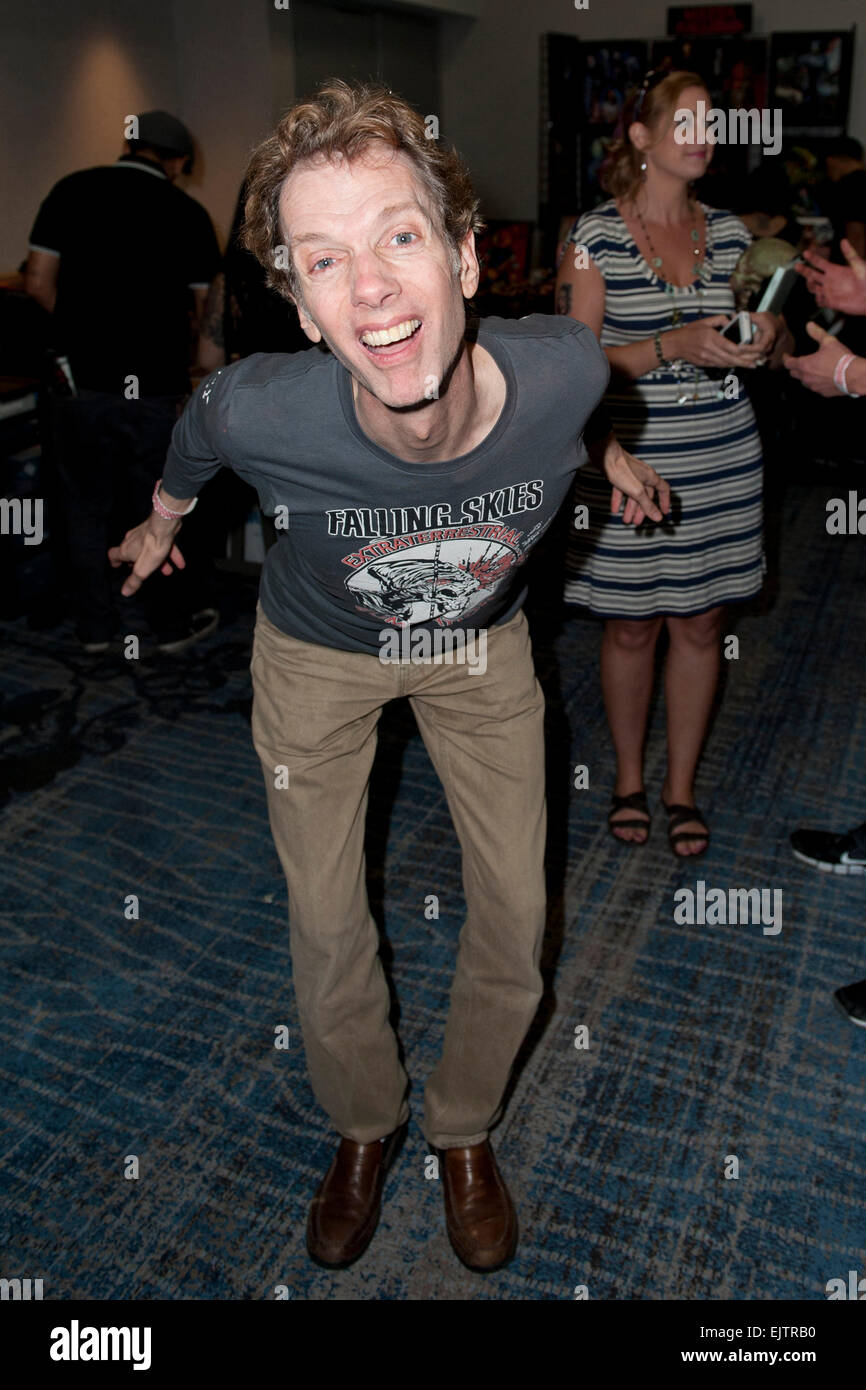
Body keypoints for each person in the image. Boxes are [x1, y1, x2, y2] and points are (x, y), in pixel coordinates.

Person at [107, 80, 669, 1273]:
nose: (367, 288)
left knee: (517, 913)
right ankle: (364, 1123)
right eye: (323, 262)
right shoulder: (262, 408)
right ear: (302, 310)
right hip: (316, 653)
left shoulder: (566, 366)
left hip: (476, 647)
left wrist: (612, 460)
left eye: (398, 237)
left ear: (466, 261)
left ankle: (464, 1129)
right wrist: (161, 520)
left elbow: (578, 413)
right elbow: (194, 442)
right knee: (326, 915)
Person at [555, 69, 782, 856]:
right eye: (684, 121)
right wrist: (670, 346)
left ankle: (680, 787)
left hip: (724, 455)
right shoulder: (594, 235)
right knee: (629, 630)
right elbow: (572, 369)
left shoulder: (732, 234)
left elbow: (771, 341)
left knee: (701, 623)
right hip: (632, 461)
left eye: (711, 122)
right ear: (642, 138)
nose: (703, 135)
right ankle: (627, 778)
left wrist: (766, 342)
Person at [25, 111, 222, 653]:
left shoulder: (70, 190)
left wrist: (83, 333)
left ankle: (94, 629)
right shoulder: (187, 211)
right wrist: (204, 377)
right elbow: (210, 314)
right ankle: (164, 626)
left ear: (129, 144)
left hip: (79, 383)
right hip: (156, 389)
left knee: (82, 507)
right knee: (158, 506)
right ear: (179, 162)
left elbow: (38, 283)